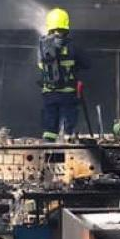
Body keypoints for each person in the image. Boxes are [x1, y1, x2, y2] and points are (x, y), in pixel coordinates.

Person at [38, 8, 87, 141]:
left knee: (49, 128)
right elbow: (87, 64)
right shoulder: (72, 45)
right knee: (68, 126)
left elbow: (40, 66)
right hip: (68, 93)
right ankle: (67, 141)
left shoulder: (42, 46)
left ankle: (48, 147)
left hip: (49, 93)